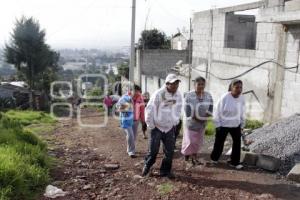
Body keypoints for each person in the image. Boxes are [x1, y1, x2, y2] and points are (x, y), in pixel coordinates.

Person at [142, 74, 183, 178]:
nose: (175, 86)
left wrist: (175, 121)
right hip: (156, 127)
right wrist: (150, 125)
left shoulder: (178, 95)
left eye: (177, 84)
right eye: (173, 84)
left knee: (169, 151)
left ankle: (165, 171)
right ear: (167, 84)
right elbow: (149, 110)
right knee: (153, 151)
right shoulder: (159, 94)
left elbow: (178, 109)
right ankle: (147, 166)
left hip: (169, 127)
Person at [210, 79, 245, 169]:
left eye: (240, 87)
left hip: (236, 124)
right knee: (219, 142)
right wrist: (217, 124)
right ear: (231, 87)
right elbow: (216, 111)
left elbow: (242, 112)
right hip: (223, 124)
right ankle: (214, 159)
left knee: (237, 143)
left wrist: (242, 124)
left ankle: (234, 162)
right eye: (237, 87)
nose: (239, 89)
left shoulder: (242, 98)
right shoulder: (225, 97)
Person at [181, 76, 213, 165]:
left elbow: (211, 107)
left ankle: (194, 156)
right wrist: (198, 118)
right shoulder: (189, 96)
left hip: (202, 122)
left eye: (203, 84)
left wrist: (206, 116)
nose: (201, 86)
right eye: (199, 84)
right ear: (194, 85)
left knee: (198, 141)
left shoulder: (208, 95)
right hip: (191, 122)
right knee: (190, 141)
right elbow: (188, 111)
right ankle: (186, 155)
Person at [116, 91, 136, 158]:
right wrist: (128, 106)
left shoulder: (131, 99)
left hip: (129, 120)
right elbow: (119, 108)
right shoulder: (124, 98)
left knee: (129, 135)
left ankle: (128, 149)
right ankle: (131, 152)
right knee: (131, 136)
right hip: (125, 121)